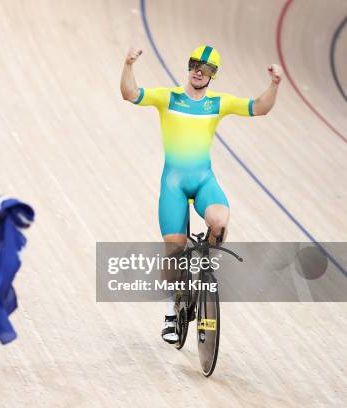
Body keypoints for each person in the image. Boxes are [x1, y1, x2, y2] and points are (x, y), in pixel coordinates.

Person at [120, 45, 283, 343]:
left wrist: (274, 85)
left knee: (220, 222)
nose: (199, 71)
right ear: (190, 66)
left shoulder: (218, 103)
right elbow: (130, 94)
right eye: (195, 64)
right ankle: (171, 309)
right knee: (173, 250)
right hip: (174, 186)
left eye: (206, 68)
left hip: (203, 181)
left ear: (213, 75)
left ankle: (204, 266)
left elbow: (260, 107)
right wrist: (129, 64)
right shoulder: (168, 98)